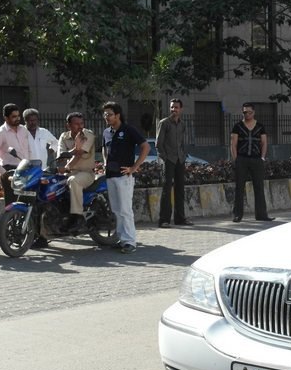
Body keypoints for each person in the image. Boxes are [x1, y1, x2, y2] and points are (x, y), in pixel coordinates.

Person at [102, 101, 149, 254]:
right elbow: (105, 149)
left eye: (109, 114)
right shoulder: (106, 132)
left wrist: (134, 167)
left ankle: (130, 242)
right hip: (110, 175)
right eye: (105, 114)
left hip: (124, 176)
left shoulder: (128, 130)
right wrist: (104, 163)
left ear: (118, 115)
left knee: (125, 209)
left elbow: (145, 146)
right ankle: (122, 239)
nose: (107, 117)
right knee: (116, 210)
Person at [230, 103, 274, 223]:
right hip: (242, 159)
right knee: (239, 187)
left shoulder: (260, 126)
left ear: (253, 113)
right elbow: (233, 144)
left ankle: (261, 215)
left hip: (256, 159)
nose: (247, 114)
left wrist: (262, 158)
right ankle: (237, 215)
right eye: (244, 112)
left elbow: (264, 142)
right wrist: (236, 159)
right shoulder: (237, 126)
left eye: (249, 112)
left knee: (259, 187)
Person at [156, 98, 193, 228]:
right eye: (172, 107)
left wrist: (183, 156)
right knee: (167, 189)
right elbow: (158, 144)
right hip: (169, 160)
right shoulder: (164, 123)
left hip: (180, 159)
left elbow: (182, 143)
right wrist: (165, 158)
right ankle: (164, 220)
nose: (174, 110)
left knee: (180, 189)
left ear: (181, 109)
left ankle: (180, 218)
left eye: (176, 107)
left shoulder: (182, 124)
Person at [57, 112, 96, 233]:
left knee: (73, 181)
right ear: (68, 125)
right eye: (76, 124)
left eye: (81, 123)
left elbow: (79, 154)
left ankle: (78, 217)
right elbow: (61, 156)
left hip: (86, 173)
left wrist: (68, 166)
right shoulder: (64, 137)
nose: (80, 126)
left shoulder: (88, 134)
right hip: (68, 173)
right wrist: (63, 165)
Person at [0, 103, 30, 205]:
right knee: (12, 203)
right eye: (14, 117)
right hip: (10, 170)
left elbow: (29, 150)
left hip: (26, 169)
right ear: (6, 118)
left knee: (27, 201)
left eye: (18, 116)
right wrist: (4, 172)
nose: (17, 119)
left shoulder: (23, 130)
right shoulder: (0, 133)